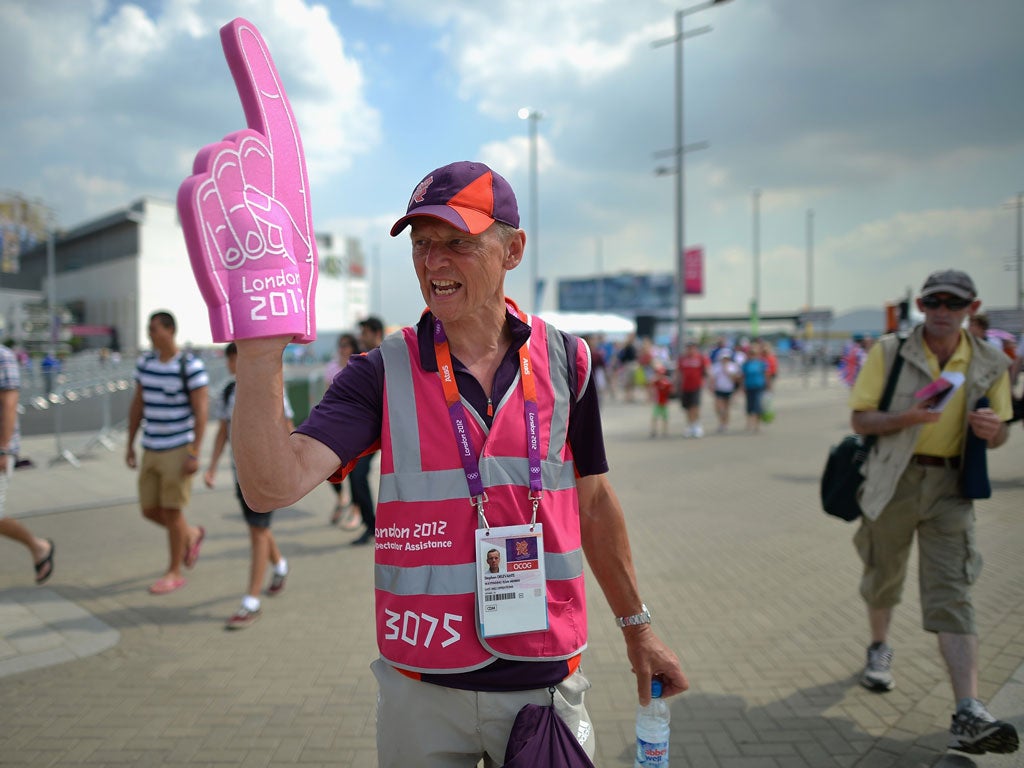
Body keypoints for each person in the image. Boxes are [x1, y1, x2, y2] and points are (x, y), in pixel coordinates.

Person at [228, 161, 687, 765]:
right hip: (423, 691)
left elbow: (595, 505)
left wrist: (639, 629)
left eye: (457, 243)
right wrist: (260, 350)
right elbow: (269, 487)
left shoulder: (567, 361)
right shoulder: (379, 374)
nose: (433, 262)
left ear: (513, 249)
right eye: (421, 245)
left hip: (543, 683)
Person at [849, 269, 1018, 756]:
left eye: (953, 303)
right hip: (893, 480)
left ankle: (968, 708)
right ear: (921, 304)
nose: (941, 311)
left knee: (953, 589)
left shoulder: (990, 360)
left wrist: (994, 431)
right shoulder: (890, 351)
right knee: (884, 573)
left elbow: (1001, 428)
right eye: (933, 301)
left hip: (951, 486)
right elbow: (860, 417)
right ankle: (879, 647)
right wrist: (907, 418)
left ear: (972, 306)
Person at [204, 343, 293, 630]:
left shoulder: (270, 385)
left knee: (258, 532)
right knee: (258, 529)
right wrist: (212, 466)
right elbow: (222, 431)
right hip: (240, 473)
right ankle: (280, 565)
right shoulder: (229, 392)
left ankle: (251, 601)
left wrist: (290, 468)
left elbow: (287, 425)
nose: (233, 365)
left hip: (266, 474)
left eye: (235, 359)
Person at [125, 310, 209, 595]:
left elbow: (201, 412)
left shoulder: (191, 365)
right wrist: (129, 444)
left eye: (154, 329)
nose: (150, 335)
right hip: (151, 446)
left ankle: (174, 571)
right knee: (149, 509)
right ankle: (191, 534)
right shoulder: (145, 364)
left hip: (177, 447)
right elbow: (138, 405)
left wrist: (195, 452)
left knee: (173, 513)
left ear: (170, 331)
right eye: (149, 330)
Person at [0, 342, 55, 584]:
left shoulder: (3, 357)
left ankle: (38, 546)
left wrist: (3, 449)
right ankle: (38, 547)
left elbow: (9, 404)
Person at [346, 316, 385, 546]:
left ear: (375, 332)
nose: (361, 338)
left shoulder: (391, 354)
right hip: (367, 430)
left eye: (364, 333)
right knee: (356, 475)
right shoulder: (362, 359)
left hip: (390, 429)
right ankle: (371, 525)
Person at [324, 333, 360, 528]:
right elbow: (328, 395)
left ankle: (356, 510)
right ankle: (341, 498)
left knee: (356, 473)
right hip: (337, 423)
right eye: (340, 345)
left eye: (346, 345)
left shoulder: (360, 364)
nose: (342, 348)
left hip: (358, 425)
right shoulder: (331, 368)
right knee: (329, 467)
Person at [676, 341, 709, 437]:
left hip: (696, 386)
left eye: (692, 348)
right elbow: (678, 372)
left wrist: (709, 382)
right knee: (687, 408)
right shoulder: (682, 359)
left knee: (695, 406)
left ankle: (697, 425)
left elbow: (707, 370)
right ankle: (690, 425)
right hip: (685, 386)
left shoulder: (700, 358)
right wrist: (676, 384)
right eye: (688, 348)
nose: (690, 350)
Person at [740, 340, 770, 434]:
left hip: (759, 387)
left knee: (757, 406)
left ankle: (757, 425)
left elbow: (766, 375)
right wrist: (742, 386)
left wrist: (767, 385)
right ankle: (749, 423)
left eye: (754, 353)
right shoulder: (746, 364)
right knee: (749, 406)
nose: (752, 355)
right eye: (751, 353)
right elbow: (743, 376)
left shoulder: (762, 363)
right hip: (749, 387)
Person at [709, 348, 741, 433]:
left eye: (726, 358)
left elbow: (736, 380)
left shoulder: (733, 366)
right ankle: (721, 422)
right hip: (719, 389)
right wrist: (711, 386)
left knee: (726, 408)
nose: (725, 359)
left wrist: (727, 371)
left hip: (728, 389)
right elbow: (712, 378)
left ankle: (725, 423)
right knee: (718, 407)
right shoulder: (716, 366)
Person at [648, 363, 673, 438]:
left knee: (665, 418)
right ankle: (654, 430)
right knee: (654, 417)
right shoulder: (656, 381)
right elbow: (650, 385)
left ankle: (665, 431)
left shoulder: (667, 382)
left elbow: (671, 391)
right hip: (657, 402)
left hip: (664, 403)